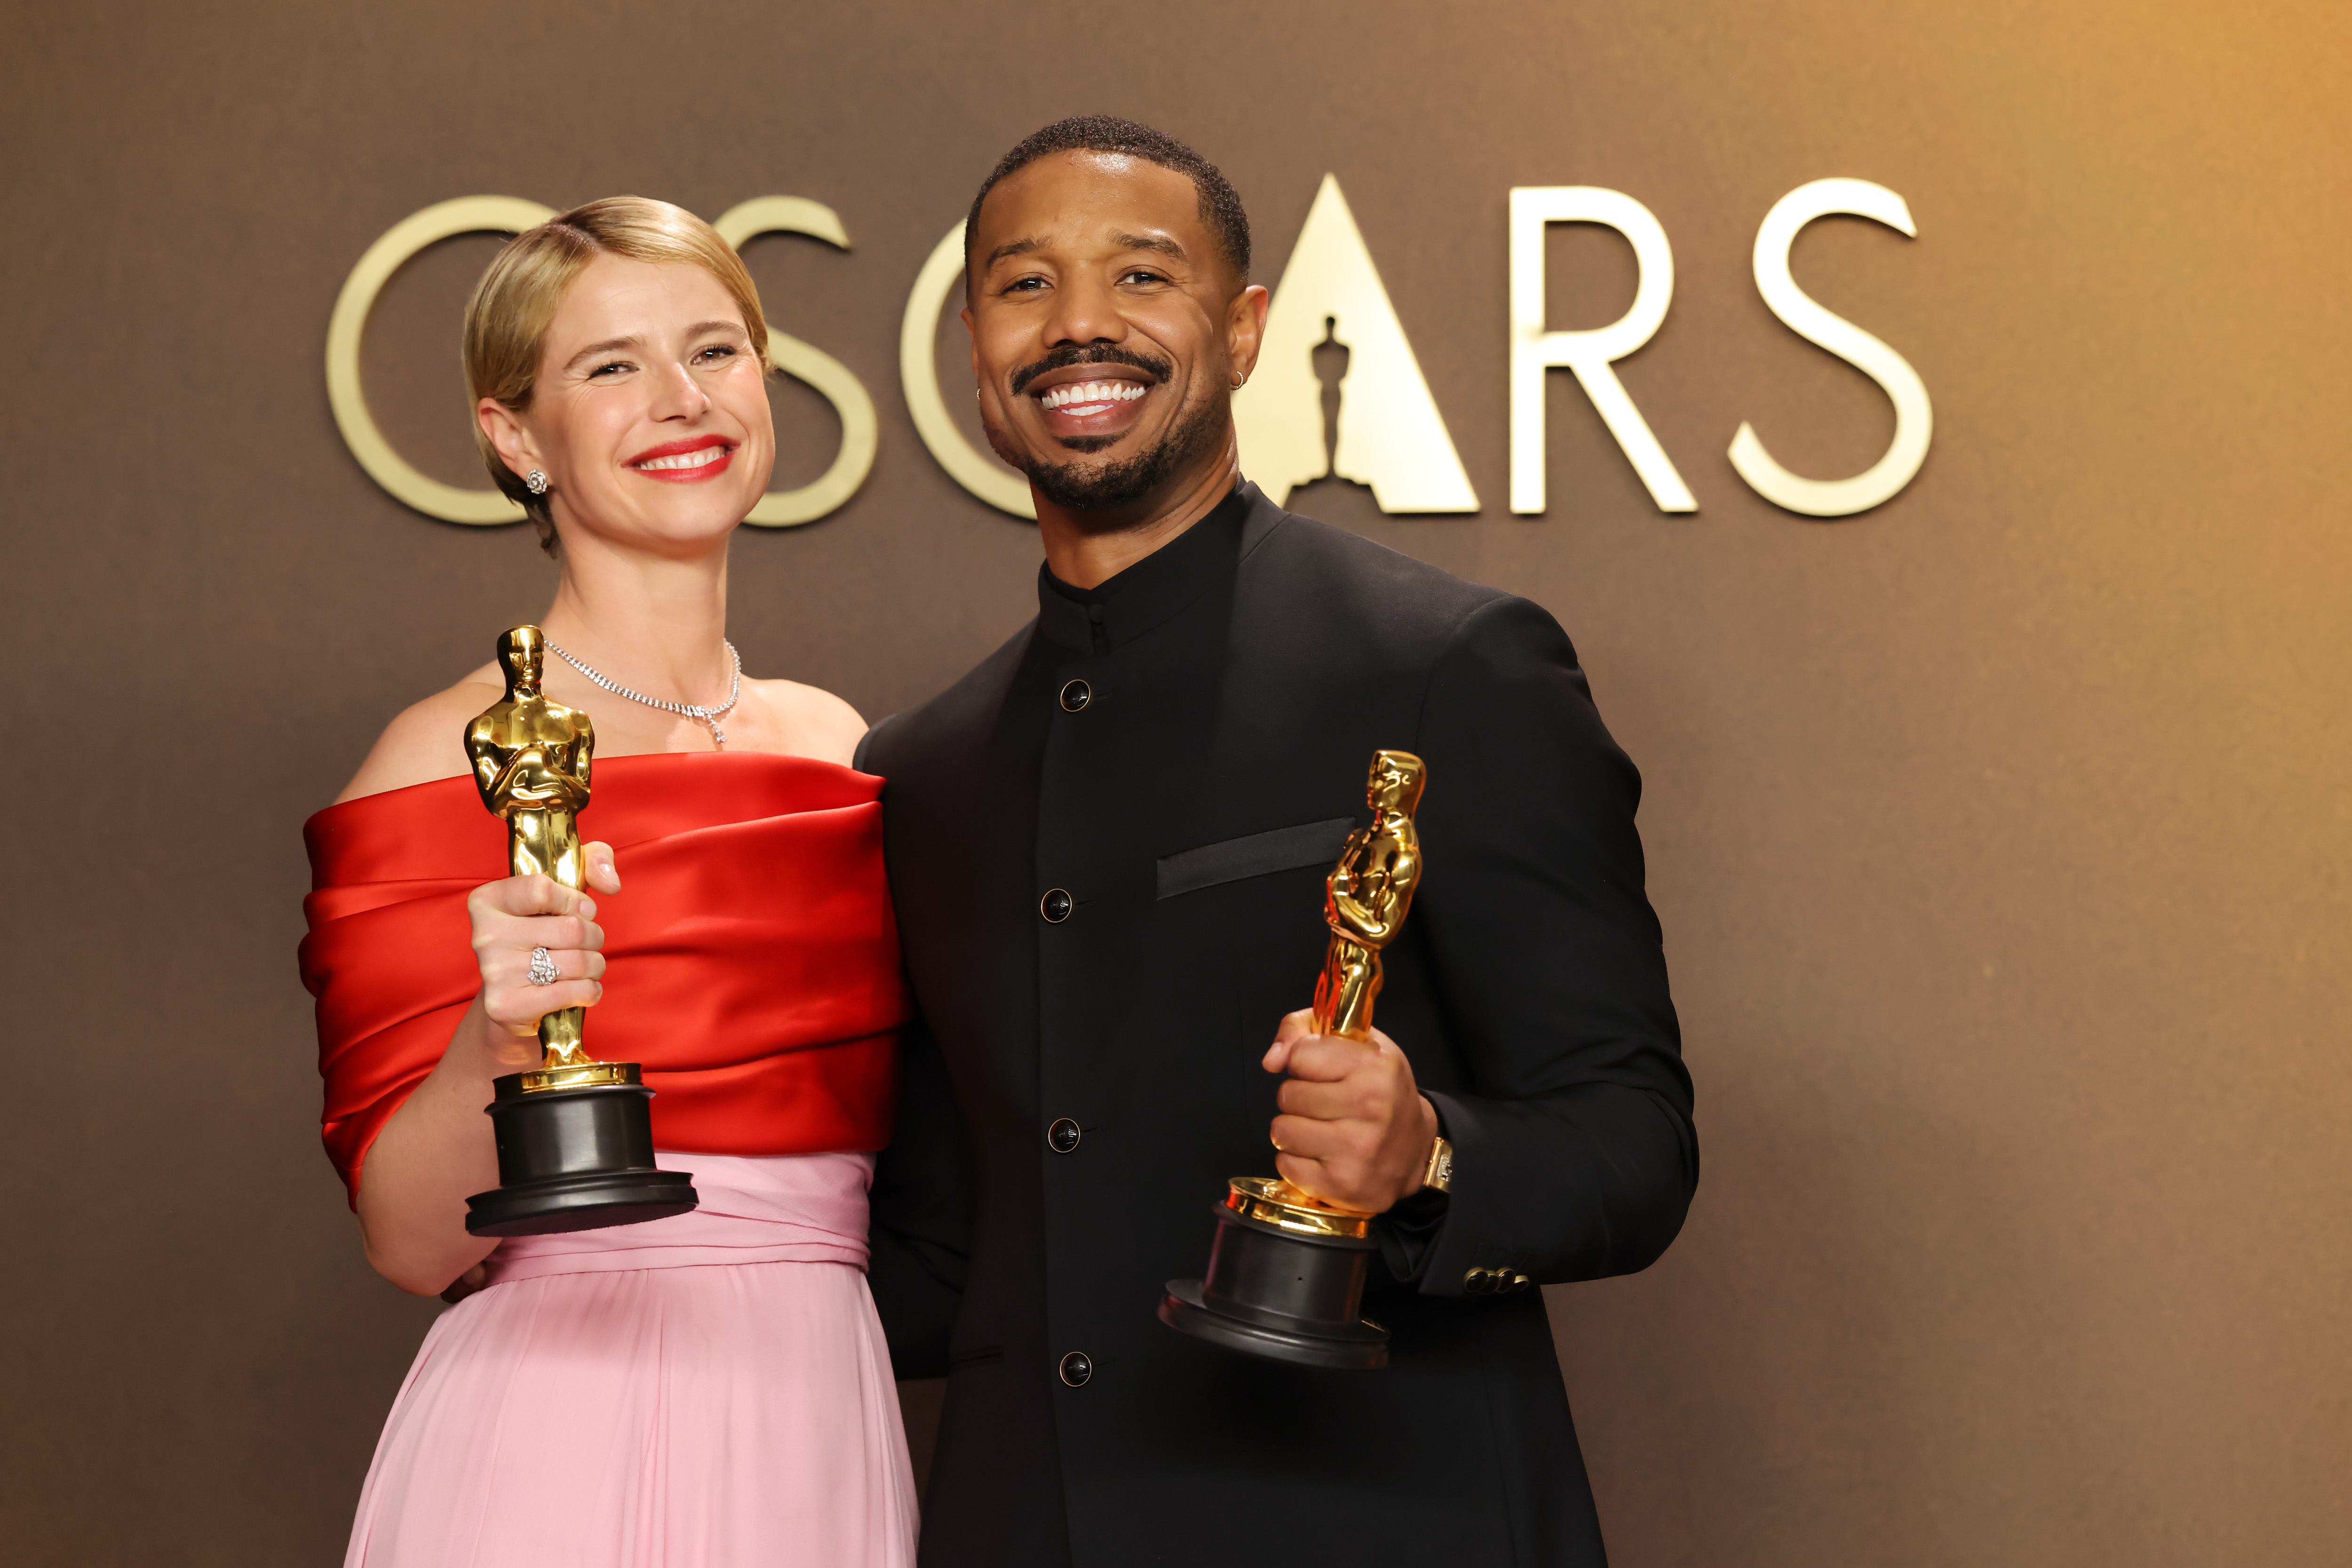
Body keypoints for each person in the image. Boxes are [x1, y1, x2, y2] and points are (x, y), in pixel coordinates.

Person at [861, 118, 1698, 1566]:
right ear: (974, 347)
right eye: (1024, 284)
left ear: (1245, 330)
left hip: (1382, 1524)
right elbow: (946, 1252)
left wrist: (1430, 1158)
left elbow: (1633, 1142)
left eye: (1142, 275)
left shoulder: (1450, 668)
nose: (1078, 325)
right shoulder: (918, 774)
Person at [298, 197, 917, 1568]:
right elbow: (408, 1240)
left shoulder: (844, 747)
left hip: (820, 1414)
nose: (681, 399)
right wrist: (499, 1041)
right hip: (561, 1423)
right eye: (610, 366)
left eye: (716, 350)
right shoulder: (440, 760)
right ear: (515, 436)